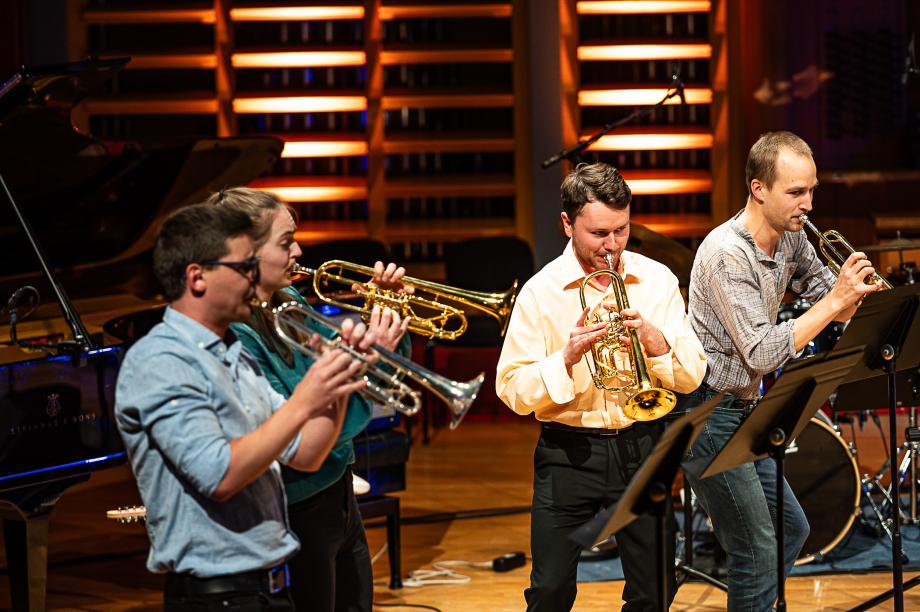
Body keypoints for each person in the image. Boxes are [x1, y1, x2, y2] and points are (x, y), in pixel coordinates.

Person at [115, 203, 375, 611]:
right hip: (215, 596)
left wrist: (336, 378)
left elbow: (307, 453)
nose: (254, 279)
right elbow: (220, 474)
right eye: (242, 268)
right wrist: (306, 397)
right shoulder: (161, 362)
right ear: (196, 278)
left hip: (271, 585)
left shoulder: (232, 355)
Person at [678, 131, 882, 611]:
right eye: (795, 192)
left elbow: (824, 296)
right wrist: (835, 301)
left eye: (811, 190)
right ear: (758, 189)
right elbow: (762, 353)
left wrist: (855, 296)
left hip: (744, 409)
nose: (807, 204)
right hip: (705, 413)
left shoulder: (792, 237)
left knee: (793, 530)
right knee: (756, 547)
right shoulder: (727, 253)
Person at [496, 162, 707, 611]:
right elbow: (511, 389)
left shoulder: (657, 280)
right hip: (568, 455)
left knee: (655, 589)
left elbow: (692, 376)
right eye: (598, 234)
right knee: (550, 591)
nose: (612, 246)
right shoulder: (540, 292)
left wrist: (657, 342)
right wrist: (565, 360)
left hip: (642, 445)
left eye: (622, 230)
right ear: (567, 223)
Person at [211, 187, 412, 612]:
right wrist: (364, 363)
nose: (299, 250)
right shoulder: (235, 339)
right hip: (294, 509)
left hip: (338, 495)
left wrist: (387, 321)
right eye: (286, 242)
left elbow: (373, 390)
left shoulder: (289, 303)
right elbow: (312, 435)